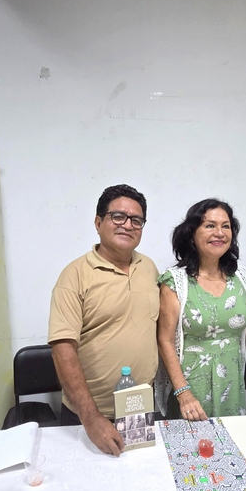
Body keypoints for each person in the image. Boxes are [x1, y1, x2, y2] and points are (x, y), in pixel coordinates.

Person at [48, 184, 160, 456]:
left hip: (139, 407)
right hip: (89, 415)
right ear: (98, 223)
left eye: (136, 220)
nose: (128, 225)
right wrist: (92, 419)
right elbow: (62, 350)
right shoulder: (74, 275)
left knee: (144, 474)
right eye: (118, 216)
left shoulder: (149, 268)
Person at [156, 198, 246, 420]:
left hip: (232, 383)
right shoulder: (175, 281)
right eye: (210, 225)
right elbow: (165, 340)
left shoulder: (240, 276)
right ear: (191, 234)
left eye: (226, 226)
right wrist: (183, 393)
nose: (219, 233)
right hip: (190, 387)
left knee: (231, 440)